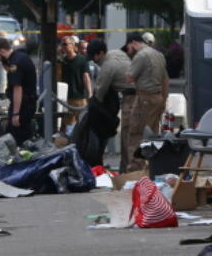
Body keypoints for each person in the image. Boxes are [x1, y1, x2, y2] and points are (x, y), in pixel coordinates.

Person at [80, 39, 131, 167]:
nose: (92, 60)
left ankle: (129, 169)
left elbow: (99, 96)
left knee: (129, 136)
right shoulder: (115, 53)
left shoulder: (107, 67)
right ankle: (126, 168)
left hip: (132, 97)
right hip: (134, 95)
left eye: (94, 56)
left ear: (101, 53)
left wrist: (92, 106)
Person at [122, 31, 168, 172]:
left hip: (144, 99)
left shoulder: (141, 55)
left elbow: (129, 78)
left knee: (136, 132)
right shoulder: (158, 55)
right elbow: (165, 79)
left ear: (133, 43)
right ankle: (153, 167)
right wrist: (164, 99)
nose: (128, 51)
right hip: (158, 98)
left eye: (129, 47)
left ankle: (135, 169)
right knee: (152, 133)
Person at [0, 38, 37, 146]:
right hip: (26, 103)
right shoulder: (19, 57)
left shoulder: (15, 64)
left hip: (23, 106)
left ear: (1, 51)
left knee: (16, 138)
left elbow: (17, 88)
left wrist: (16, 114)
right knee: (17, 136)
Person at [60, 35, 92, 127]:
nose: (63, 47)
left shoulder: (82, 60)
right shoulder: (62, 61)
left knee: (82, 123)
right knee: (68, 125)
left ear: (73, 45)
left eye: (65, 44)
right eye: (62, 45)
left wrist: (89, 94)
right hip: (66, 98)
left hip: (80, 98)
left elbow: (86, 77)